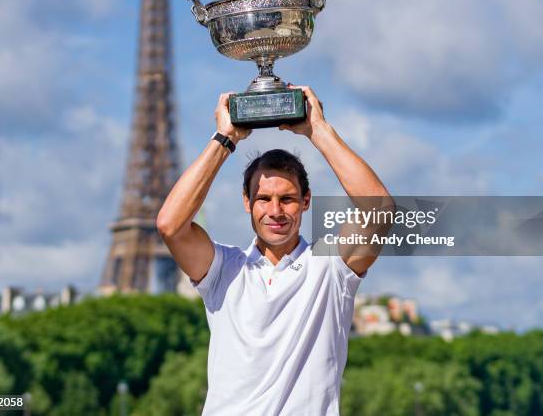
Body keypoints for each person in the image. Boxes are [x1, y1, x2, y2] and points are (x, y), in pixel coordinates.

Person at [156, 84, 392, 416]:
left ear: (306, 202)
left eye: (288, 198)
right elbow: (170, 225)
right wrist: (225, 139)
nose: (276, 210)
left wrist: (318, 131)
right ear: (246, 202)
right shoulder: (224, 269)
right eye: (264, 199)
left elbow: (380, 210)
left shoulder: (329, 268)